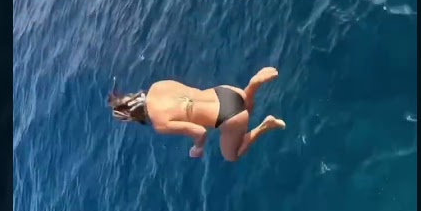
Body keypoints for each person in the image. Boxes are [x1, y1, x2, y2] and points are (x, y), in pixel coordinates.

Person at [106, 67, 286, 162]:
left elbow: (200, 132)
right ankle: (252, 86)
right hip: (225, 92)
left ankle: (265, 126)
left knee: (232, 156)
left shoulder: (159, 123)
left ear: (132, 117)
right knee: (244, 107)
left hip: (229, 117)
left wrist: (197, 148)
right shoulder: (158, 86)